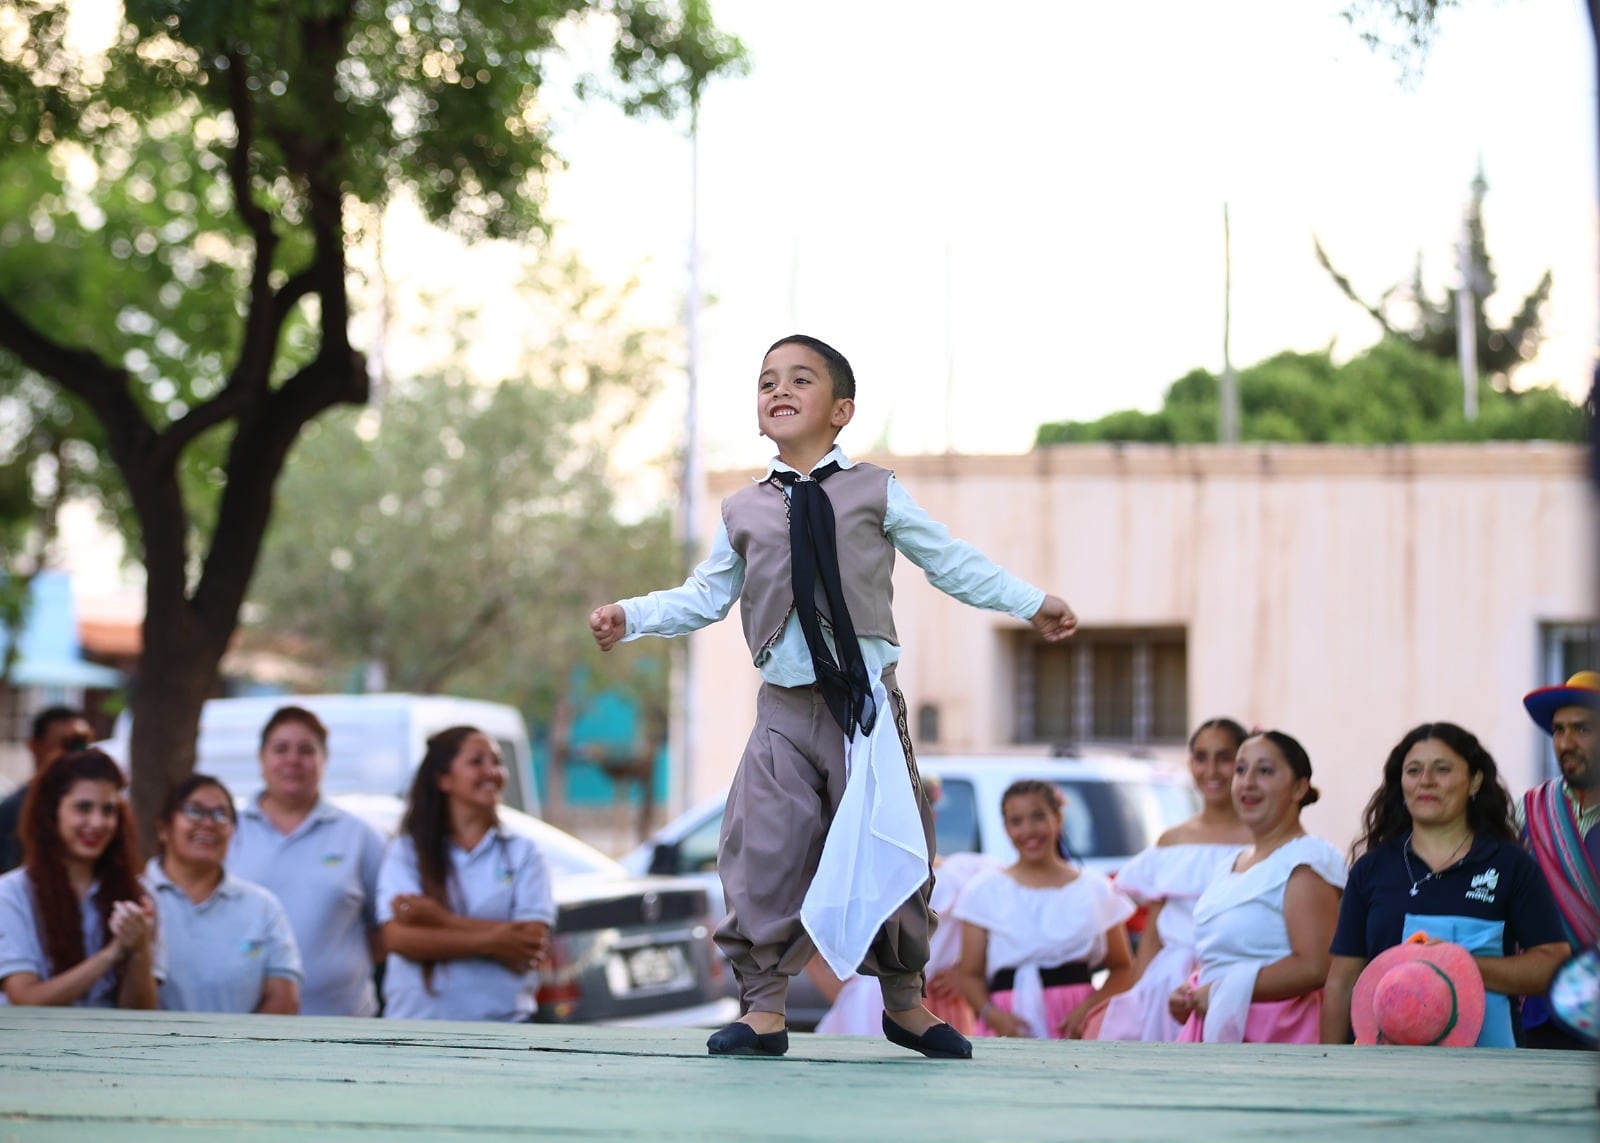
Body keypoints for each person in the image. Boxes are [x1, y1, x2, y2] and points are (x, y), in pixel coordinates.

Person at [590, 335, 1076, 1059]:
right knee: (762, 849)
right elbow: (705, 595)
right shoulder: (743, 510)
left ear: (841, 409)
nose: (778, 389)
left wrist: (1030, 601)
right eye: (766, 382)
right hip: (785, 711)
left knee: (893, 844)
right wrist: (633, 615)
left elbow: (949, 560)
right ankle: (763, 1008)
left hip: (865, 709)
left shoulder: (874, 490)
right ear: (759, 413)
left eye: (800, 379)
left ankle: (904, 1000)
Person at [1321, 722, 1569, 1048]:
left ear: (1475, 781)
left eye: (1442, 769)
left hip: (1489, 1067)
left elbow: (1553, 963)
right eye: (1413, 770)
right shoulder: (1370, 869)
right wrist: (1328, 1067)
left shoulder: (1511, 865)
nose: (1426, 780)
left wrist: (1455, 967)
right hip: (1381, 1066)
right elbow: (1342, 981)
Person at [1169, 730, 1345, 1043]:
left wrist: (1222, 990)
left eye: (1264, 771)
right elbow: (1226, 954)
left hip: (1277, 1036)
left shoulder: (1305, 862)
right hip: (1218, 1027)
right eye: (1241, 770)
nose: (1248, 782)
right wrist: (1192, 989)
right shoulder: (1229, 865)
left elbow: (1316, 966)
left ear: (1299, 787)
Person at [377, 726, 556, 1022]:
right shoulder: (407, 851)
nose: (492, 771)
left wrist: (440, 921)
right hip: (417, 1030)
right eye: (477, 762)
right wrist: (495, 942)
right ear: (444, 779)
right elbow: (400, 939)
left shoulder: (523, 853)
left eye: (496, 761)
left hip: (502, 1028)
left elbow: (529, 943)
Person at [1093, 717, 1254, 1042]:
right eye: (1201, 757)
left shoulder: (1259, 838)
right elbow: (1154, 930)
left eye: (1224, 758)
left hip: (1234, 981)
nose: (1211, 770)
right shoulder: (1172, 841)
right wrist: (1136, 994)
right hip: (1167, 985)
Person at [227, 706, 386, 1016]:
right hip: (242, 1028)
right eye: (280, 749)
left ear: (324, 761)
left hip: (343, 1026)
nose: (292, 760)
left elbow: (385, 932)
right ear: (261, 759)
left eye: (306, 750)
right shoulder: (228, 830)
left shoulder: (360, 836)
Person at [951, 780, 1135, 1040]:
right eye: (1016, 821)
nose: (1028, 830)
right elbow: (969, 974)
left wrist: (1088, 1009)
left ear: (1058, 819)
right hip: (1010, 1021)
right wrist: (995, 1017)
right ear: (1006, 828)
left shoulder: (1094, 888)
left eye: (1038, 817)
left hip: (1073, 1022)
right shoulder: (983, 890)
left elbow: (1123, 967)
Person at [0, 748, 158, 1008]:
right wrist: (113, 953)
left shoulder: (139, 895)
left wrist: (139, 950)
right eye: (83, 808)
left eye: (108, 810)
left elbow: (141, 1012)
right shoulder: (11, 895)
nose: (97, 822)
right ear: (52, 813)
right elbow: (25, 999)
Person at [144, 774, 302, 1014]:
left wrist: (239, 1050)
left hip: (240, 1050)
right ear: (163, 827)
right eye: (195, 811)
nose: (208, 823)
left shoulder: (262, 906)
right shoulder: (134, 898)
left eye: (221, 815)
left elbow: (283, 998)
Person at [1518, 671, 1600, 1050]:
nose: (1566, 743)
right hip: (1541, 1013)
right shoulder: (1530, 811)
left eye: (1582, 729)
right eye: (1559, 730)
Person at [0, 706, 94, 874]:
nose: (74, 754)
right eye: (64, 744)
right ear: (34, 746)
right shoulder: (14, 809)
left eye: (81, 745)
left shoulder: (100, 806)